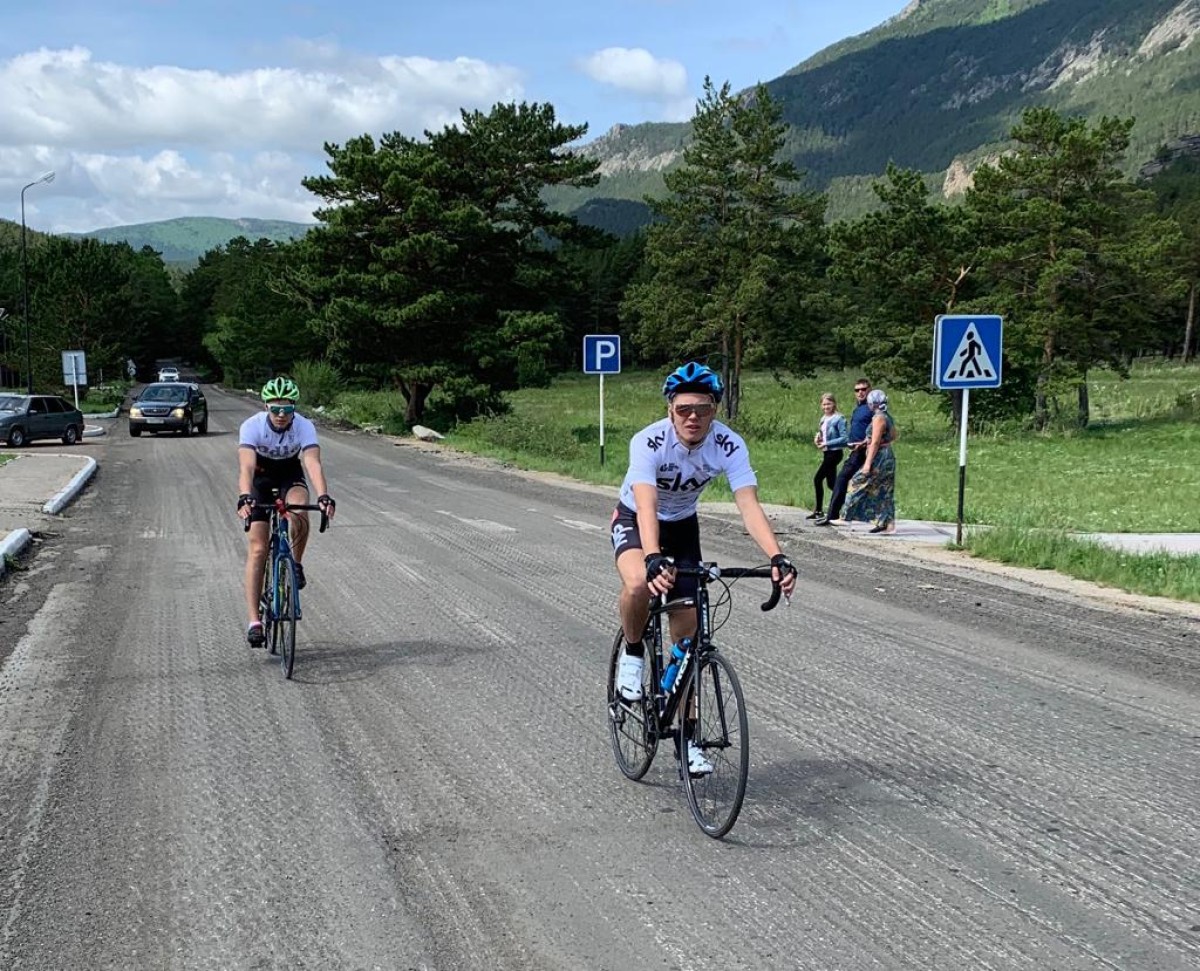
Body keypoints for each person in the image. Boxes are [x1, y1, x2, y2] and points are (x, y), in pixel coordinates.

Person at [610, 361, 798, 775]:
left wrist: (776, 556)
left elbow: (747, 505)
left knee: (689, 639)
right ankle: (634, 653)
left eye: (703, 408)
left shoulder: (728, 445)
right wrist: (653, 555)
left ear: (715, 409)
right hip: (636, 520)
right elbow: (646, 504)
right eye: (683, 409)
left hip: (683, 528)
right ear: (670, 410)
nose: (693, 417)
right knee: (640, 583)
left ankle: (687, 739)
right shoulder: (649, 442)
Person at [236, 376, 336, 646]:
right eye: (275, 408)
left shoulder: (304, 426)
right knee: (257, 549)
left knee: (299, 511)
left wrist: (324, 496)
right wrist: (245, 497)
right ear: (266, 406)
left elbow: (312, 463)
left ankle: (296, 563)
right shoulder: (252, 426)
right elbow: (246, 466)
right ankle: (254, 621)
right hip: (261, 477)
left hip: (289, 474)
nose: (281, 415)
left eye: (287, 409)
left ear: (295, 408)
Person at [815, 377, 872, 526]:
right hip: (855, 450)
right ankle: (838, 514)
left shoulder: (871, 408)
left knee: (842, 479)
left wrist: (865, 442)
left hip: (866, 450)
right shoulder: (858, 408)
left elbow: (878, 428)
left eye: (863, 389)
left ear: (869, 390)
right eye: (857, 390)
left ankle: (832, 515)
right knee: (842, 481)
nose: (860, 392)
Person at [843, 389, 898, 533]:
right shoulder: (887, 416)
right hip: (888, 456)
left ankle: (845, 516)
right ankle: (887, 523)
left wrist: (867, 463)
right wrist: (865, 442)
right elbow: (893, 435)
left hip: (878, 457)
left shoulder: (878, 418)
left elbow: (875, 442)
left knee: (856, 482)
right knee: (885, 490)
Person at [808, 392, 847, 520]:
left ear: (834, 404)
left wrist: (827, 443)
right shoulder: (823, 418)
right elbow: (821, 433)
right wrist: (817, 439)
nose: (826, 407)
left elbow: (844, 438)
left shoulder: (839, 419)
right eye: (824, 404)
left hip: (835, 453)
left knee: (817, 479)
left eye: (828, 404)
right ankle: (848, 503)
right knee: (832, 484)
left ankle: (819, 510)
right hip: (827, 453)